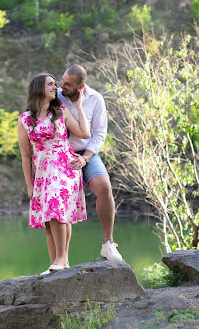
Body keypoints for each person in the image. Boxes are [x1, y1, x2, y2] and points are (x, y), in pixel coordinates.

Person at [18, 73, 90, 275]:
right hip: (42, 171)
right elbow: (25, 156)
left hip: (65, 166)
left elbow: (84, 133)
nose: (54, 87)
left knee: (57, 208)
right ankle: (57, 265)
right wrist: (30, 186)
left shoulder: (61, 112)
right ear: (38, 88)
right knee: (49, 221)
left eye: (55, 84)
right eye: (50, 84)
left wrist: (80, 107)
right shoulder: (24, 120)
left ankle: (61, 258)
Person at [58, 64, 124, 262]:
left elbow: (100, 133)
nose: (62, 86)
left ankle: (108, 244)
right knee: (60, 201)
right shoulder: (57, 96)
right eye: (62, 81)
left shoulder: (95, 98)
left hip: (87, 153)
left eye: (68, 84)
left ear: (81, 86)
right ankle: (62, 259)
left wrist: (85, 157)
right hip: (62, 154)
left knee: (104, 186)